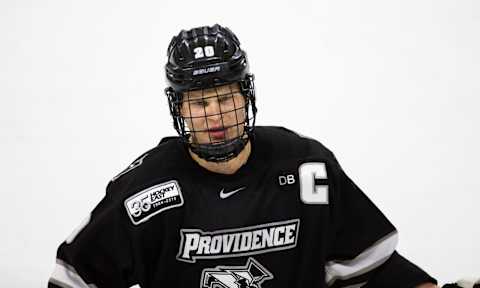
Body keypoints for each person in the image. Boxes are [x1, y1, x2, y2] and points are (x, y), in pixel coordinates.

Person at [48, 24, 440, 288]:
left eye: (224, 98)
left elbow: (374, 270)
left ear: (246, 96)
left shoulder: (306, 167)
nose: (215, 115)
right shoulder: (147, 189)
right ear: (179, 110)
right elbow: (73, 278)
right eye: (200, 103)